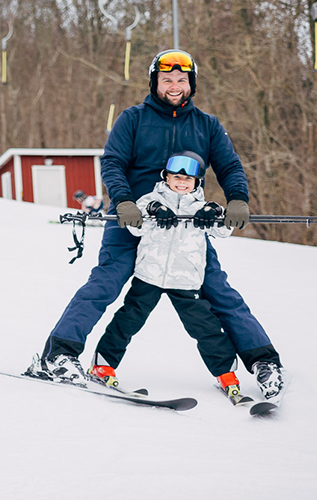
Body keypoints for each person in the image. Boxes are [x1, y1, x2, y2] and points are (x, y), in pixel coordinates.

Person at [22, 49, 284, 401]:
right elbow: (113, 162)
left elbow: (230, 167)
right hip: (133, 220)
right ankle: (58, 356)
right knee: (105, 284)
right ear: (155, 83)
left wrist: (238, 198)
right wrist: (125, 200)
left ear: (190, 83)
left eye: (181, 80)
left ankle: (264, 362)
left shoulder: (207, 125)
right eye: (167, 80)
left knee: (220, 292)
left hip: (184, 229)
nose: (175, 86)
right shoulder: (133, 119)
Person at [87, 152, 251, 405]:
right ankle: (103, 366)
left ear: (197, 182)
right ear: (166, 177)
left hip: (186, 280)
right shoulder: (149, 200)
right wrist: (153, 210)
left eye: (189, 179)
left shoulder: (202, 207)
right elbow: (135, 225)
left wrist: (216, 212)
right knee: (127, 321)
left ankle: (226, 374)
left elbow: (223, 230)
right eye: (177, 177)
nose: (182, 183)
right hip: (149, 276)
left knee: (206, 328)